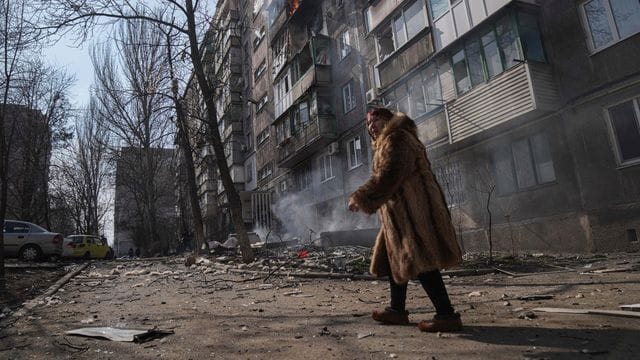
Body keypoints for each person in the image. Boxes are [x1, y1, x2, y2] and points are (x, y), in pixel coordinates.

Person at [348, 107, 463, 333]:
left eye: (376, 120)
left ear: (388, 119)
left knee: (421, 259)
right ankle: (397, 310)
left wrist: (361, 197)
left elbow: (390, 175)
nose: (372, 127)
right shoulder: (388, 141)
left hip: (414, 212)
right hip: (400, 214)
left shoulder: (397, 138)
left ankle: (446, 315)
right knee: (393, 258)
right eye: (368, 124)